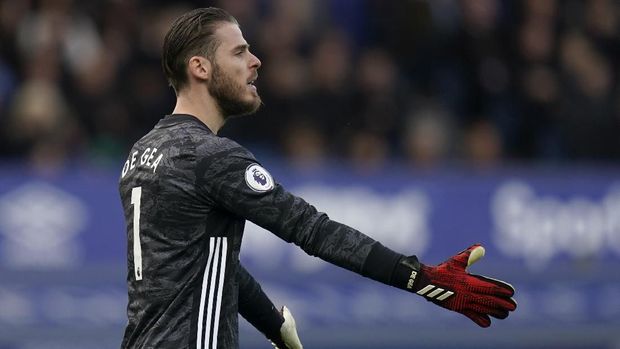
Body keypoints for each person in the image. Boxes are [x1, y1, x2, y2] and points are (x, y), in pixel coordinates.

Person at [118, 7, 517, 349]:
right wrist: (424, 279)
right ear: (200, 67)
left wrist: (274, 325)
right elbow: (312, 230)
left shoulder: (143, 152)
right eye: (239, 52)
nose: (255, 61)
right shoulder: (211, 157)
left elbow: (211, 262)